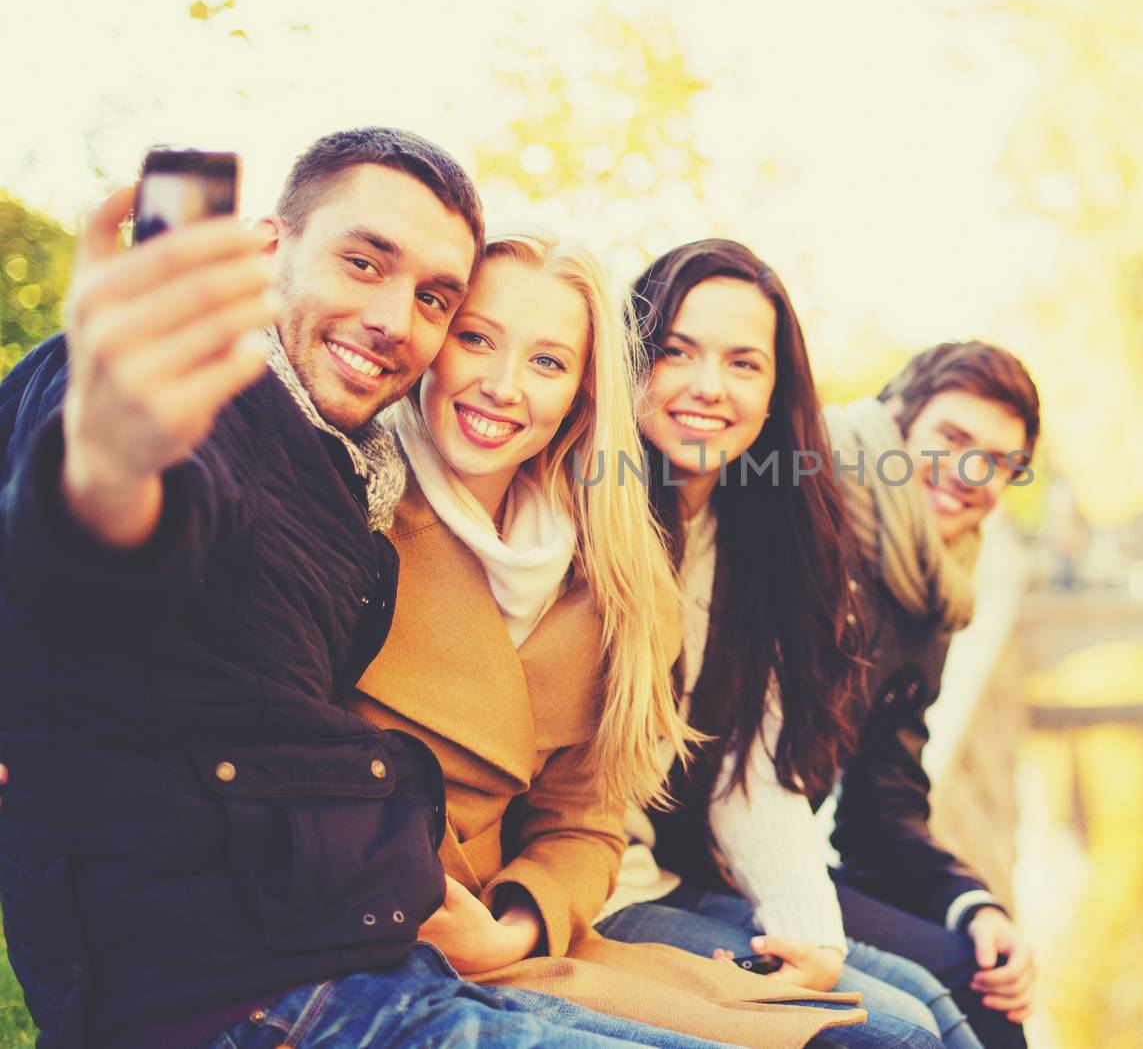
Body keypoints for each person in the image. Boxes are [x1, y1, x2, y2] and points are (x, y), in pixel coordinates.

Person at [0, 129, 747, 1049]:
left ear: (582, 396)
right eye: (363, 262)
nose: (397, 320)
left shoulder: (354, 489)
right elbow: (124, 540)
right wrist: (115, 452)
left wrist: (513, 917)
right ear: (271, 250)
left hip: (405, 940)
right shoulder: (218, 416)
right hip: (254, 975)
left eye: (434, 298)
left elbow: (586, 813)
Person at [345, 226, 934, 1049]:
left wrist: (521, 921)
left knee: (918, 1018)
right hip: (408, 931)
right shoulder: (354, 507)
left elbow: (615, 801)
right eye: (477, 337)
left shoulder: (623, 562)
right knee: (893, 1035)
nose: (505, 384)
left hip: (554, 905)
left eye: (548, 361)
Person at [590, 240, 981, 1049]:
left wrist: (812, 938)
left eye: (743, 363)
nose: (709, 386)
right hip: (587, 900)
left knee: (936, 1006)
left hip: (658, 879)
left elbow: (753, 770)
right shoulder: (584, 510)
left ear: (775, 393)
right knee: (901, 1034)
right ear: (628, 357)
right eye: (676, 352)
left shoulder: (751, 536)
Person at [824, 342, 1043, 1045]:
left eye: (1001, 462)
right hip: (682, 863)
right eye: (952, 438)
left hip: (766, 859)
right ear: (896, 422)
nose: (972, 473)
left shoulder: (931, 582)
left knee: (981, 970)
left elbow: (881, 800)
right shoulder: (806, 521)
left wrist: (972, 904)